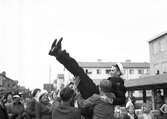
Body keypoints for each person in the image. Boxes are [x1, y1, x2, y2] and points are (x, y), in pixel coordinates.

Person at [48, 38, 126, 105]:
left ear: (119, 73)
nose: (110, 72)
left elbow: (122, 100)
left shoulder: (119, 83)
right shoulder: (113, 81)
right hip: (95, 93)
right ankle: (57, 53)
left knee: (78, 71)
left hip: (95, 95)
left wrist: (109, 100)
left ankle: (58, 53)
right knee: (77, 71)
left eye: (113, 70)